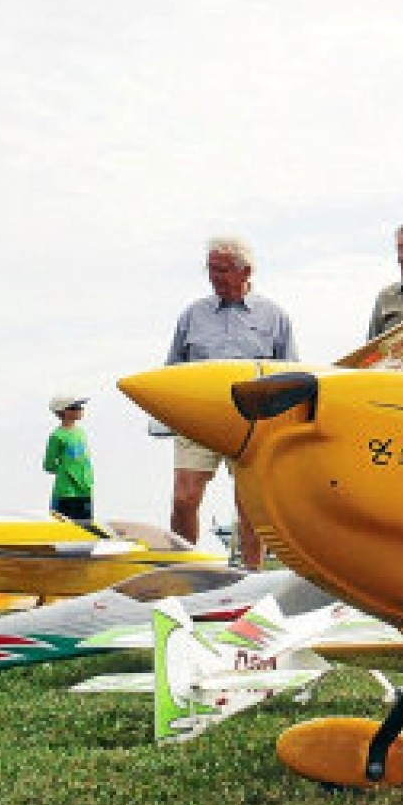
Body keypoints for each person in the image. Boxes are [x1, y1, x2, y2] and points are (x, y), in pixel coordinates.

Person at [164, 237, 298, 569]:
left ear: (245, 272)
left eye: (222, 270)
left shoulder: (275, 317)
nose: (214, 277)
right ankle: (187, 574)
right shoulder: (192, 315)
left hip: (251, 421)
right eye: (210, 269)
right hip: (199, 418)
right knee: (184, 498)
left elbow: (291, 374)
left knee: (249, 506)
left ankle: (251, 577)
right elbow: (171, 370)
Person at [43, 395, 94, 521]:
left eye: (81, 406)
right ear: (63, 411)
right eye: (76, 407)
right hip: (65, 494)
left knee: (85, 528)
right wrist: (67, 472)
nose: (81, 409)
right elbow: (48, 465)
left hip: (84, 491)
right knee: (63, 528)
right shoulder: (57, 436)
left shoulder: (80, 432)